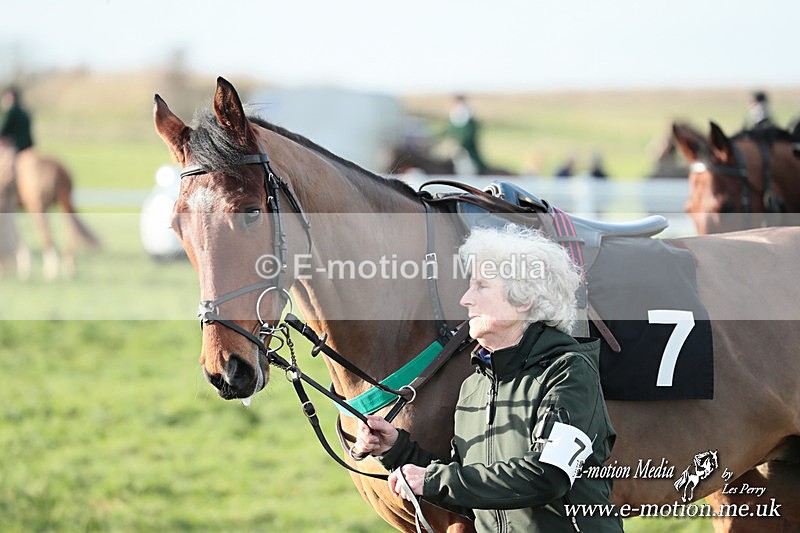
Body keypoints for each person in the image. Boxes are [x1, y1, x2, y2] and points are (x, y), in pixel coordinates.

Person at [354, 224, 622, 532]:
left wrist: (433, 480)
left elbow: (548, 475)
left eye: (481, 286)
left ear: (523, 300)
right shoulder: (474, 385)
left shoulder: (568, 371)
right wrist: (397, 450)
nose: (466, 299)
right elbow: (470, 489)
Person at [445, 94, 488, 175]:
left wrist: (459, 147)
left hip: (467, 151)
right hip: (453, 149)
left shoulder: (469, 118)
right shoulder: (453, 117)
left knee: (465, 168)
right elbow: (447, 132)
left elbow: (468, 136)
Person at [0, 86, 34, 153]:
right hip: (28, 145)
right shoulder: (24, 112)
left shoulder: (12, 112)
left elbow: (4, 130)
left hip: (17, 146)